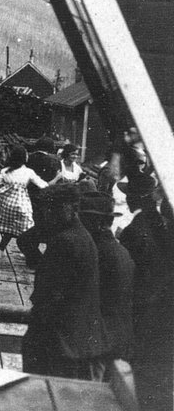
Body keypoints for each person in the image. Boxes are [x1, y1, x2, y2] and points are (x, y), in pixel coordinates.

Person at [21, 185, 106, 379]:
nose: (50, 214)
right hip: (73, 339)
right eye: (47, 209)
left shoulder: (65, 241)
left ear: (73, 208)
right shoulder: (82, 236)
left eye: (56, 208)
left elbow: (50, 295)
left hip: (58, 340)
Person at [118, 172, 174, 411]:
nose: (127, 199)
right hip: (158, 309)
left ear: (137, 199)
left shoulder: (135, 230)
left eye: (130, 195)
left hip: (145, 310)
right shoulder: (158, 225)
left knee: (146, 376)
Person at [79, 190, 134, 367]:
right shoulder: (119, 250)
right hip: (115, 337)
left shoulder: (97, 252)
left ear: (98, 223)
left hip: (99, 340)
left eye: (84, 219)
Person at [0, 145, 48, 267]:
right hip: (20, 204)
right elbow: (42, 185)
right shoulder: (28, 172)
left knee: (10, 229)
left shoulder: (5, 171)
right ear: (24, 157)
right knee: (29, 229)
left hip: (6, 203)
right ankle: (33, 256)